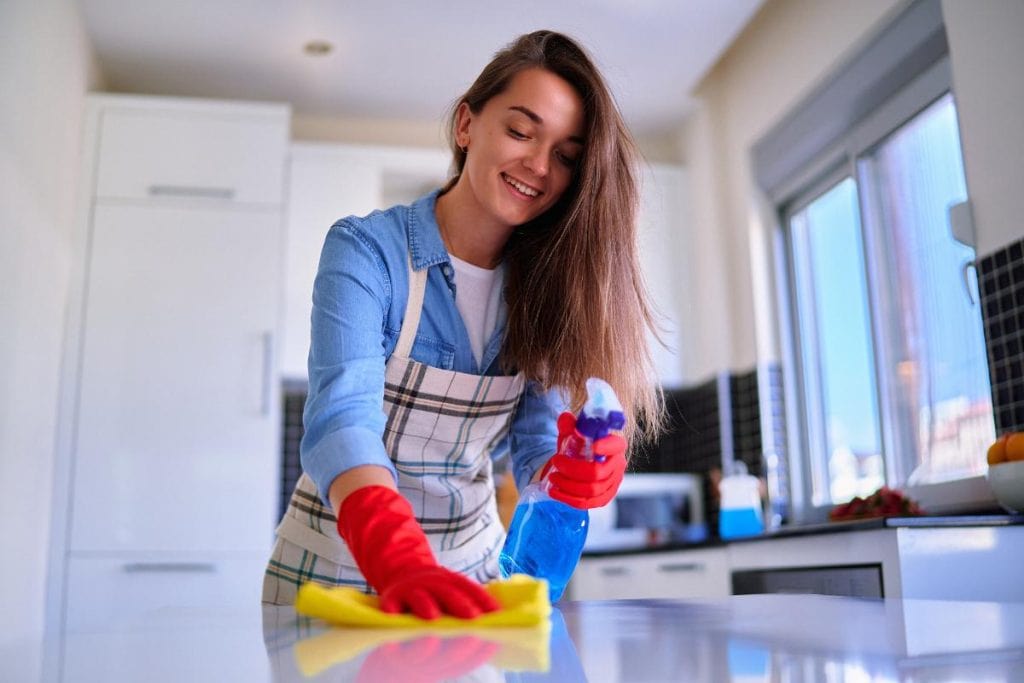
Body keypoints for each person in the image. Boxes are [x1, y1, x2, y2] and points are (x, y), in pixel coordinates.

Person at [262, 30, 663, 619]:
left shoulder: (548, 288)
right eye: (521, 131)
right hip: (334, 574)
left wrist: (572, 473)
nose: (538, 165)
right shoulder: (368, 251)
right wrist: (395, 553)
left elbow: (534, 448)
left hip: (470, 578)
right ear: (467, 125)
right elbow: (340, 417)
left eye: (566, 155)